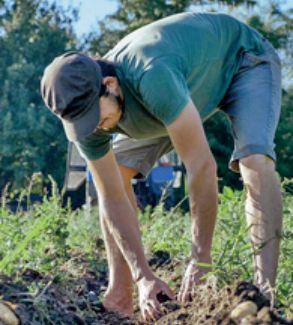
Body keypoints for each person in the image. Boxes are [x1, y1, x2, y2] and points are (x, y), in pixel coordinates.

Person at [41, 12, 282, 322]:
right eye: (82, 123)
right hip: (180, 91)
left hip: (243, 60)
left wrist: (201, 259)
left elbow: (201, 167)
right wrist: (143, 275)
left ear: (109, 84)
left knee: (254, 162)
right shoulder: (87, 123)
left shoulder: (150, 74)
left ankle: (264, 297)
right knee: (119, 173)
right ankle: (120, 291)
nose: (93, 129)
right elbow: (112, 196)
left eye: (93, 117)